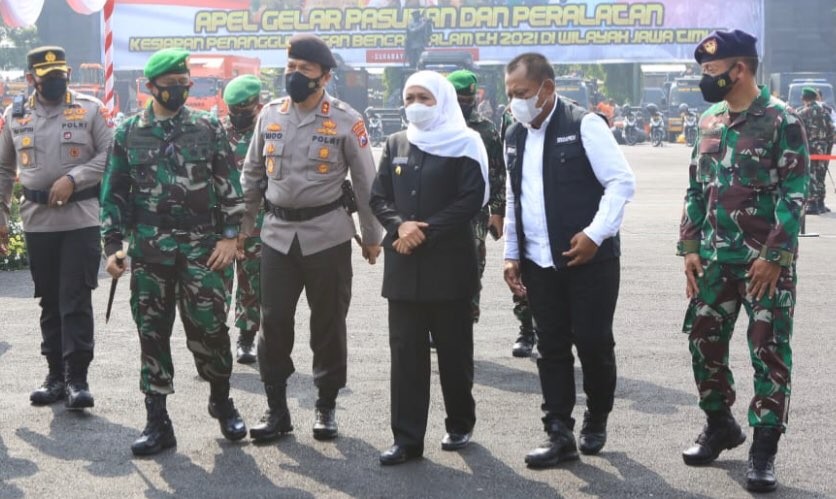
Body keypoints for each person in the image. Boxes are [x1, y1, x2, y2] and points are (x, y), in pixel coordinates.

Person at [678, 30, 809, 493]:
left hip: (762, 265)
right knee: (703, 344)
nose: (707, 79)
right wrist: (689, 246)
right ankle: (720, 425)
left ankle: (763, 449)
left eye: (713, 71)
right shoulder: (710, 120)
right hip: (713, 261)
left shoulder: (782, 120)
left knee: (768, 352)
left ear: (742, 68)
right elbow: (697, 187)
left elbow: (797, 194)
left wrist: (775, 256)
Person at [100, 48, 248, 456]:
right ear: (151, 88)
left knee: (211, 329)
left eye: (185, 85)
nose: (180, 91)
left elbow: (229, 186)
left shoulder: (208, 128)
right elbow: (113, 193)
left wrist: (230, 237)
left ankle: (221, 398)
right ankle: (157, 421)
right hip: (150, 252)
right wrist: (113, 246)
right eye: (172, 87)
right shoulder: (129, 132)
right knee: (152, 334)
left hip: (203, 249)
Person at [240, 34, 383, 443]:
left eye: (304, 69)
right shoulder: (269, 115)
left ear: (324, 75)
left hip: (328, 236)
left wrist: (372, 238)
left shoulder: (345, 119)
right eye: (290, 68)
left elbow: (366, 183)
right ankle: (277, 409)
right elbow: (251, 177)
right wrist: (240, 232)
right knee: (274, 322)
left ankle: (325, 406)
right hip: (277, 237)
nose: (295, 75)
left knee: (328, 324)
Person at [502, 53, 635, 468]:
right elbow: (513, 196)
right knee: (551, 347)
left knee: (594, 343)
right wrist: (511, 252)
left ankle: (596, 417)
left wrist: (596, 234)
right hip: (539, 260)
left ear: (547, 88)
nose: (515, 102)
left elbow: (621, 182)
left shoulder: (584, 125)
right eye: (510, 94)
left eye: (521, 93)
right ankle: (558, 431)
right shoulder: (514, 133)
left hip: (589, 260)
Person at [371, 70, 487, 466]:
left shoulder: (466, 142)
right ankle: (406, 439)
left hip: (449, 266)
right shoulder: (395, 142)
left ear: (443, 100)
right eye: (409, 98)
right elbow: (378, 196)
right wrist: (398, 225)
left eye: (425, 97)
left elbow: (473, 198)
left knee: (454, 352)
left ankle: (459, 422)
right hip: (402, 264)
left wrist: (427, 230)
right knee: (405, 354)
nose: (415, 105)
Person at [0, 46, 112, 410]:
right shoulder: (14, 115)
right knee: (49, 299)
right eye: (48, 77)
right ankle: (54, 377)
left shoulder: (89, 109)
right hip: (37, 221)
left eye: (61, 75)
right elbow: (3, 170)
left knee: (75, 297)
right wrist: (1, 219)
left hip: (80, 218)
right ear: (32, 78)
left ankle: (77, 379)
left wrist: (73, 178)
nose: (56, 82)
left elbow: (110, 155)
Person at [446, 70, 504, 324]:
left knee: (472, 267)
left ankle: (466, 320)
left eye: (468, 100)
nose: (463, 105)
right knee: (439, 270)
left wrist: (498, 212)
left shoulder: (486, 130)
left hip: (475, 214)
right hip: (438, 210)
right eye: (458, 100)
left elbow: (498, 173)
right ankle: (439, 323)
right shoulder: (433, 126)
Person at [221, 74, 264, 363]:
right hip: (220, 223)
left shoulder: (266, 133)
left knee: (251, 283)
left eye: (243, 111)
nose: (237, 116)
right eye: (233, 111)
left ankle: (246, 338)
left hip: (256, 222)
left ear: (257, 106)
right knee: (216, 284)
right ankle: (214, 339)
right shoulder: (217, 133)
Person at [797, 87, 833, 214]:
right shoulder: (825, 111)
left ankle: (812, 204)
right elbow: (832, 132)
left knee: (811, 174)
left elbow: (798, 132)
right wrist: (827, 147)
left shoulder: (802, 113)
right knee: (821, 175)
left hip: (810, 148)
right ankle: (820, 202)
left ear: (803, 98)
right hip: (823, 148)